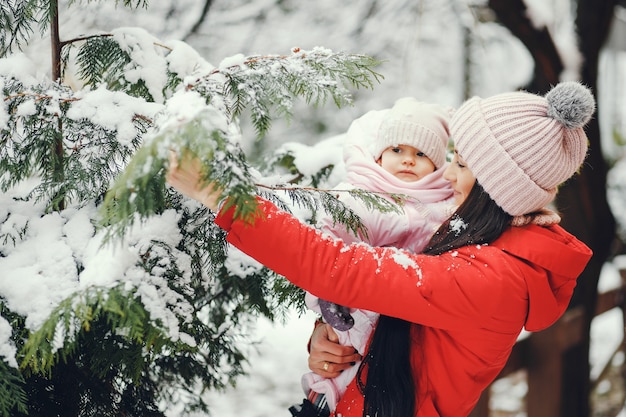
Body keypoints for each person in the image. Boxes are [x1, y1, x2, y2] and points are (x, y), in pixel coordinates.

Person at [166, 81, 595, 417]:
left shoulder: (491, 278)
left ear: (497, 188)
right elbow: (397, 313)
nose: (446, 173)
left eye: (461, 163)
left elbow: (344, 268)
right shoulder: (487, 244)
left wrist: (220, 195)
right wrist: (329, 336)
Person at [301, 97, 455, 415]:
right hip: (354, 305)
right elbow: (325, 245)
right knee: (343, 360)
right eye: (397, 150)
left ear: (439, 164)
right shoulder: (362, 195)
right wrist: (324, 300)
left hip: (407, 319)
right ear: (380, 155)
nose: (408, 160)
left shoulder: (444, 203)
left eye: (421, 153)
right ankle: (320, 401)